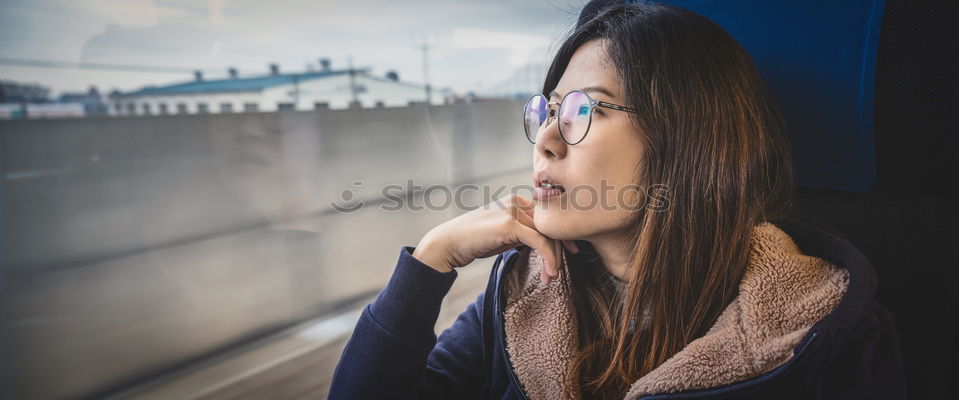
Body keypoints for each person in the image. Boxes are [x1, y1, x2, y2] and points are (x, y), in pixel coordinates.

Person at [327, 1, 906, 398]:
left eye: (584, 110)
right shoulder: (522, 296)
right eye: (547, 110)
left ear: (687, 141)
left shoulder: (825, 334)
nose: (547, 141)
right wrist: (430, 261)